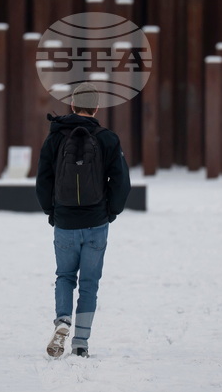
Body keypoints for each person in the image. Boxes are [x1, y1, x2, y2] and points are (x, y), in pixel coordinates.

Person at [36, 82, 131, 358]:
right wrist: (111, 212)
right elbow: (121, 182)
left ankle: (63, 320)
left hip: (65, 221)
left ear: (72, 105)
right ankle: (80, 343)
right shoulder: (107, 139)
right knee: (89, 283)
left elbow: (43, 180)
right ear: (97, 108)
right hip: (96, 222)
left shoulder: (55, 138)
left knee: (65, 276)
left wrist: (51, 211)